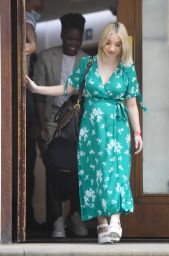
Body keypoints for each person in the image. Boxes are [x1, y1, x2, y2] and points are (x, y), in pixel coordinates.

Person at [27, 21, 147, 244]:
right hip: (91, 131)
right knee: (94, 174)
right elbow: (67, 88)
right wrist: (36, 88)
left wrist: (137, 133)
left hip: (117, 129)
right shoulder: (88, 63)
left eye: (117, 44)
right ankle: (102, 224)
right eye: (109, 43)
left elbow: (131, 104)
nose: (112, 48)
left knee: (117, 171)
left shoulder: (127, 69)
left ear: (123, 46)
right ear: (103, 41)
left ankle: (115, 221)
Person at [33, 13, 88, 238]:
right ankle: (56, 220)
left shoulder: (87, 61)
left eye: (77, 40)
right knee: (53, 169)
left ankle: (74, 215)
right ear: (62, 36)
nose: (73, 44)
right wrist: (41, 124)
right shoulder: (46, 57)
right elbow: (37, 97)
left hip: (76, 121)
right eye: (69, 39)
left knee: (77, 168)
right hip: (50, 119)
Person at [25, 0, 44, 233]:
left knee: (28, 164)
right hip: (26, 96)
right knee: (27, 163)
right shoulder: (26, 17)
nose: (41, 11)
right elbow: (33, 45)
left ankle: (27, 219)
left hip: (28, 95)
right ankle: (26, 220)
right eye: (39, 6)